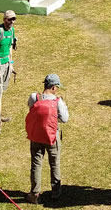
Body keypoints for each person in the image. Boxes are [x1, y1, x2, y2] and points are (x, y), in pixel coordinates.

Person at [25, 74, 69, 203]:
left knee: (36, 164)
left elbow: (30, 108)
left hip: (36, 135)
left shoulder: (34, 97)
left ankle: (34, 193)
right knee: (54, 163)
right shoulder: (57, 102)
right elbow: (65, 119)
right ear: (54, 87)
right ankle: (55, 192)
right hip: (52, 137)